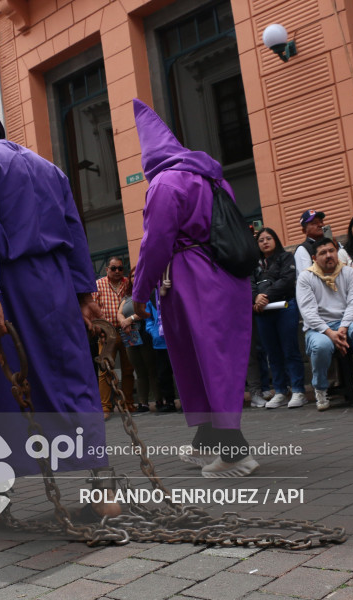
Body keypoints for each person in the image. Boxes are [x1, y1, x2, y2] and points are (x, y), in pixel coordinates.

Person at [0, 97, 117, 518]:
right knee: (72, 382)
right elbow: (75, 230)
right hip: (59, 286)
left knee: (4, 388)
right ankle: (103, 491)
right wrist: (85, 296)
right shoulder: (49, 166)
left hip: (9, 285)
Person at [130, 98, 258, 478]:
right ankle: (208, 441)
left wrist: (139, 294)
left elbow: (155, 244)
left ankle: (236, 455)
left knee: (206, 361)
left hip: (193, 278)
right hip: (225, 275)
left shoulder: (165, 183)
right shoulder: (214, 178)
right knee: (210, 359)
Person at [296, 237, 353, 410]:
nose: (329, 255)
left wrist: (343, 327)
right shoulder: (306, 277)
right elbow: (308, 312)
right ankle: (321, 388)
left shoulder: (349, 272)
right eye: (323, 253)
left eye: (331, 251)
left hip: (347, 323)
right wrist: (330, 333)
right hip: (318, 328)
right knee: (321, 346)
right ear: (314, 258)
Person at [251, 228, 306, 408]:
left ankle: (298, 390)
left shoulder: (286, 257)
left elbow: (287, 280)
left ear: (276, 240)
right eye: (261, 240)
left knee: (290, 350)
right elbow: (249, 284)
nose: (265, 242)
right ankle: (280, 390)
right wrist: (255, 298)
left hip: (284, 307)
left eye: (269, 238)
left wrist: (264, 296)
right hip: (262, 312)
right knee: (272, 353)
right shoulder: (253, 263)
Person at [94, 257, 137, 416]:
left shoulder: (127, 283)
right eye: (113, 268)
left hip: (127, 330)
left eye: (120, 268)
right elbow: (93, 311)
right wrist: (100, 331)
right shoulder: (98, 285)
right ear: (107, 270)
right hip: (107, 333)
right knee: (105, 370)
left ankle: (128, 404)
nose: (117, 271)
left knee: (128, 368)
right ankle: (105, 407)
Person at [116, 265, 157, 413]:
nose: (135, 278)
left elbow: (146, 312)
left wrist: (130, 319)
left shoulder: (148, 292)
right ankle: (143, 403)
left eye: (137, 275)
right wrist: (123, 321)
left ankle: (159, 400)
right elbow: (119, 313)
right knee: (139, 371)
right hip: (130, 336)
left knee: (152, 369)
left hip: (145, 333)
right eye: (132, 276)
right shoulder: (126, 297)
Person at [144, 295, 177, 412]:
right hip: (160, 343)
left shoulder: (173, 291)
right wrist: (154, 332)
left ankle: (186, 401)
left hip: (177, 341)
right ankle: (169, 402)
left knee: (181, 373)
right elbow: (148, 319)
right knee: (163, 374)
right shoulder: (151, 296)